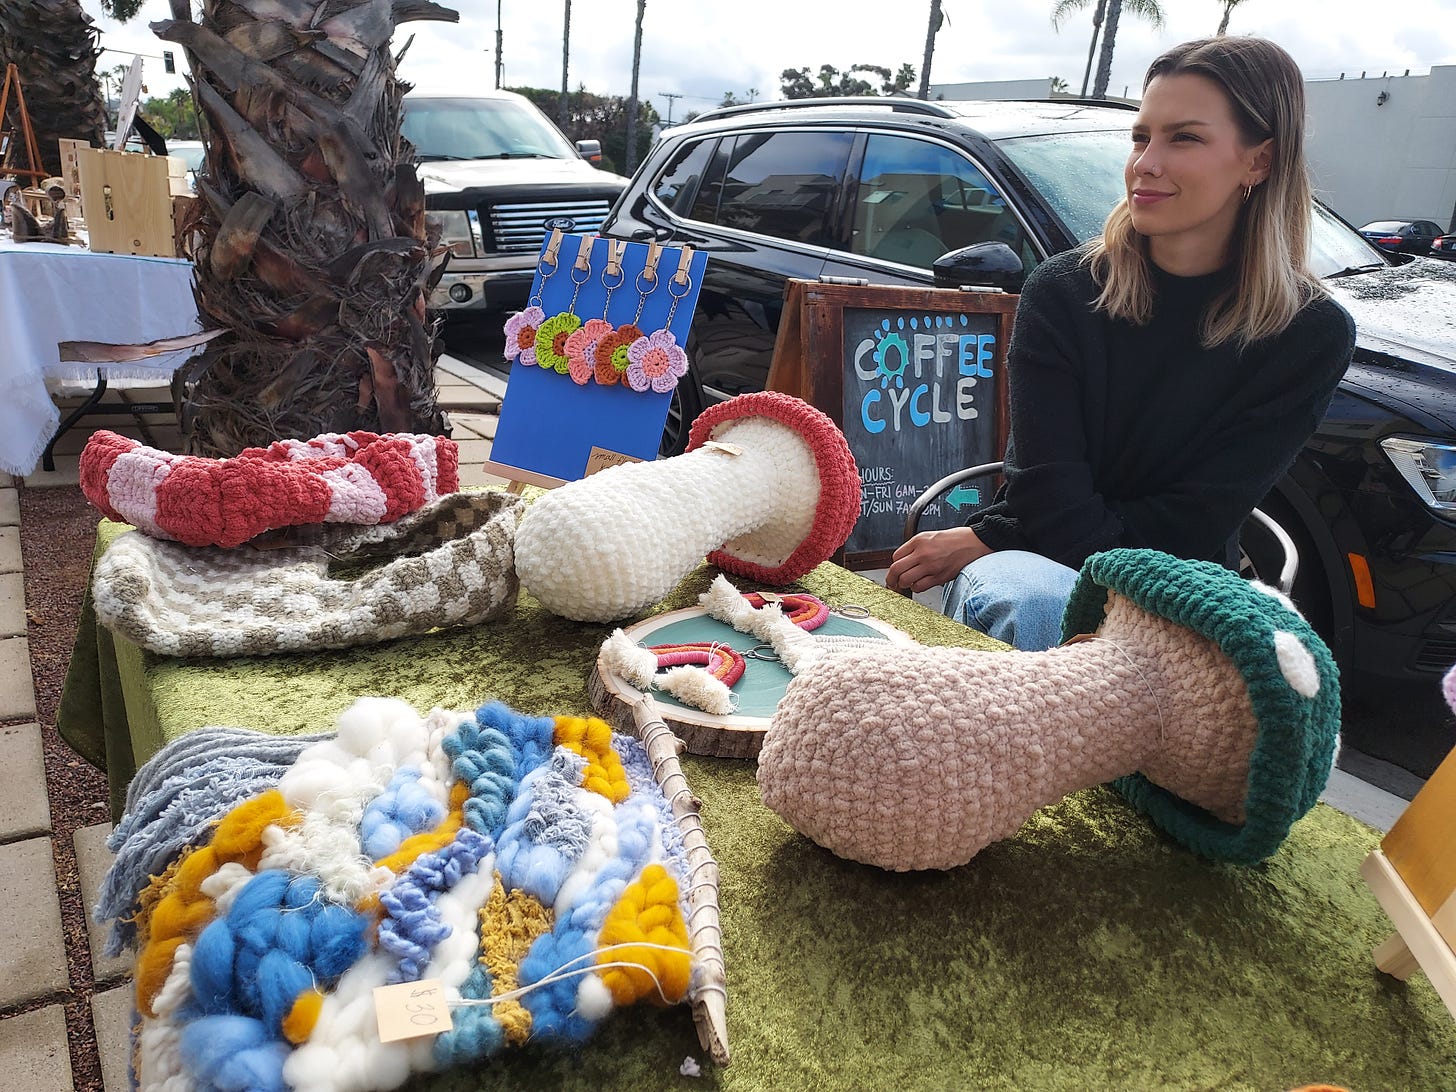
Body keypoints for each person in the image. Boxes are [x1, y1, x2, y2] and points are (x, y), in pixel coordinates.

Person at [886, 35, 1356, 651]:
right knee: (1039, 604)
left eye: (1183, 137)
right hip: (1041, 567)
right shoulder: (1063, 292)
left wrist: (1001, 533)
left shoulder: (1309, 332)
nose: (1145, 163)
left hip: (1177, 579)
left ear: (1259, 161)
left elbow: (1196, 522)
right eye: (1141, 137)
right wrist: (1020, 536)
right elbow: (1047, 489)